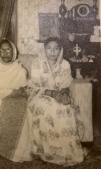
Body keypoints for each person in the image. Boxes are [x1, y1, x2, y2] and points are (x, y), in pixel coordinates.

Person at [27, 37, 84, 166]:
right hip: (40, 95)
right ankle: (44, 150)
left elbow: (66, 83)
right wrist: (53, 93)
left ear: (60, 50)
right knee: (46, 106)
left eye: (56, 49)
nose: (52, 52)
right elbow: (34, 87)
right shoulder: (37, 63)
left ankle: (64, 150)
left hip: (58, 94)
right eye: (49, 48)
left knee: (66, 107)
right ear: (44, 50)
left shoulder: (65, 64)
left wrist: (64, 94)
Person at [0, 39, 32, 162]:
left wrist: (16, 93)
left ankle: (18, 149)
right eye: (1, 50)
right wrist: (10, 92)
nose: (4, 53)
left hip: (15, 99)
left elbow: (24, 90)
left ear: (14, 51)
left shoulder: (20, 70)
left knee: (22, 106)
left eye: (8, 50)